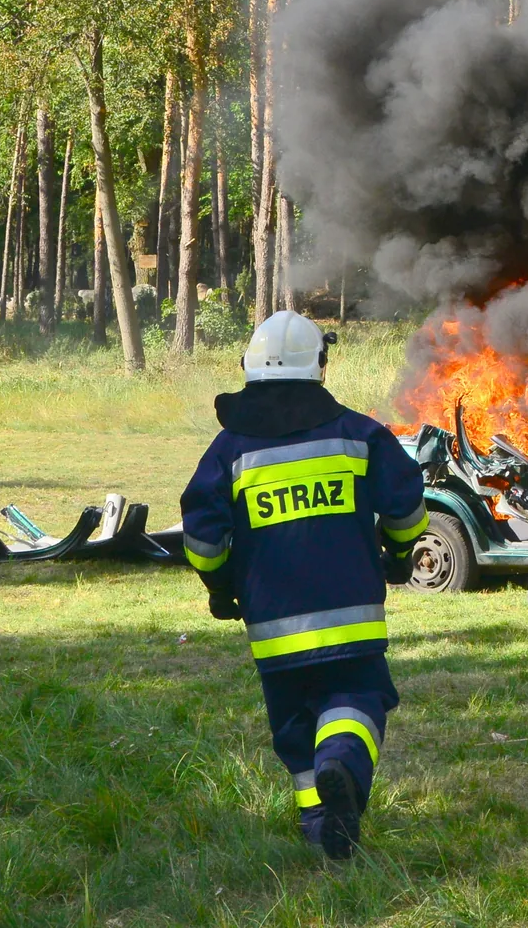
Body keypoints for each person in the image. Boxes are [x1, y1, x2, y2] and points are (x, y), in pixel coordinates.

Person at [180, 311, 428, 860]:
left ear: (249, 366)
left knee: (295, 730)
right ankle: (341, 760)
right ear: (319, 366)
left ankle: (323, 831)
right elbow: (408, 508)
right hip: (352, 621)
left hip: (273, 629)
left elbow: (201, 539)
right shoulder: (360, 434)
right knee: (358, 700)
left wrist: (220, 589)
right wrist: (401, 551)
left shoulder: (230, 451)